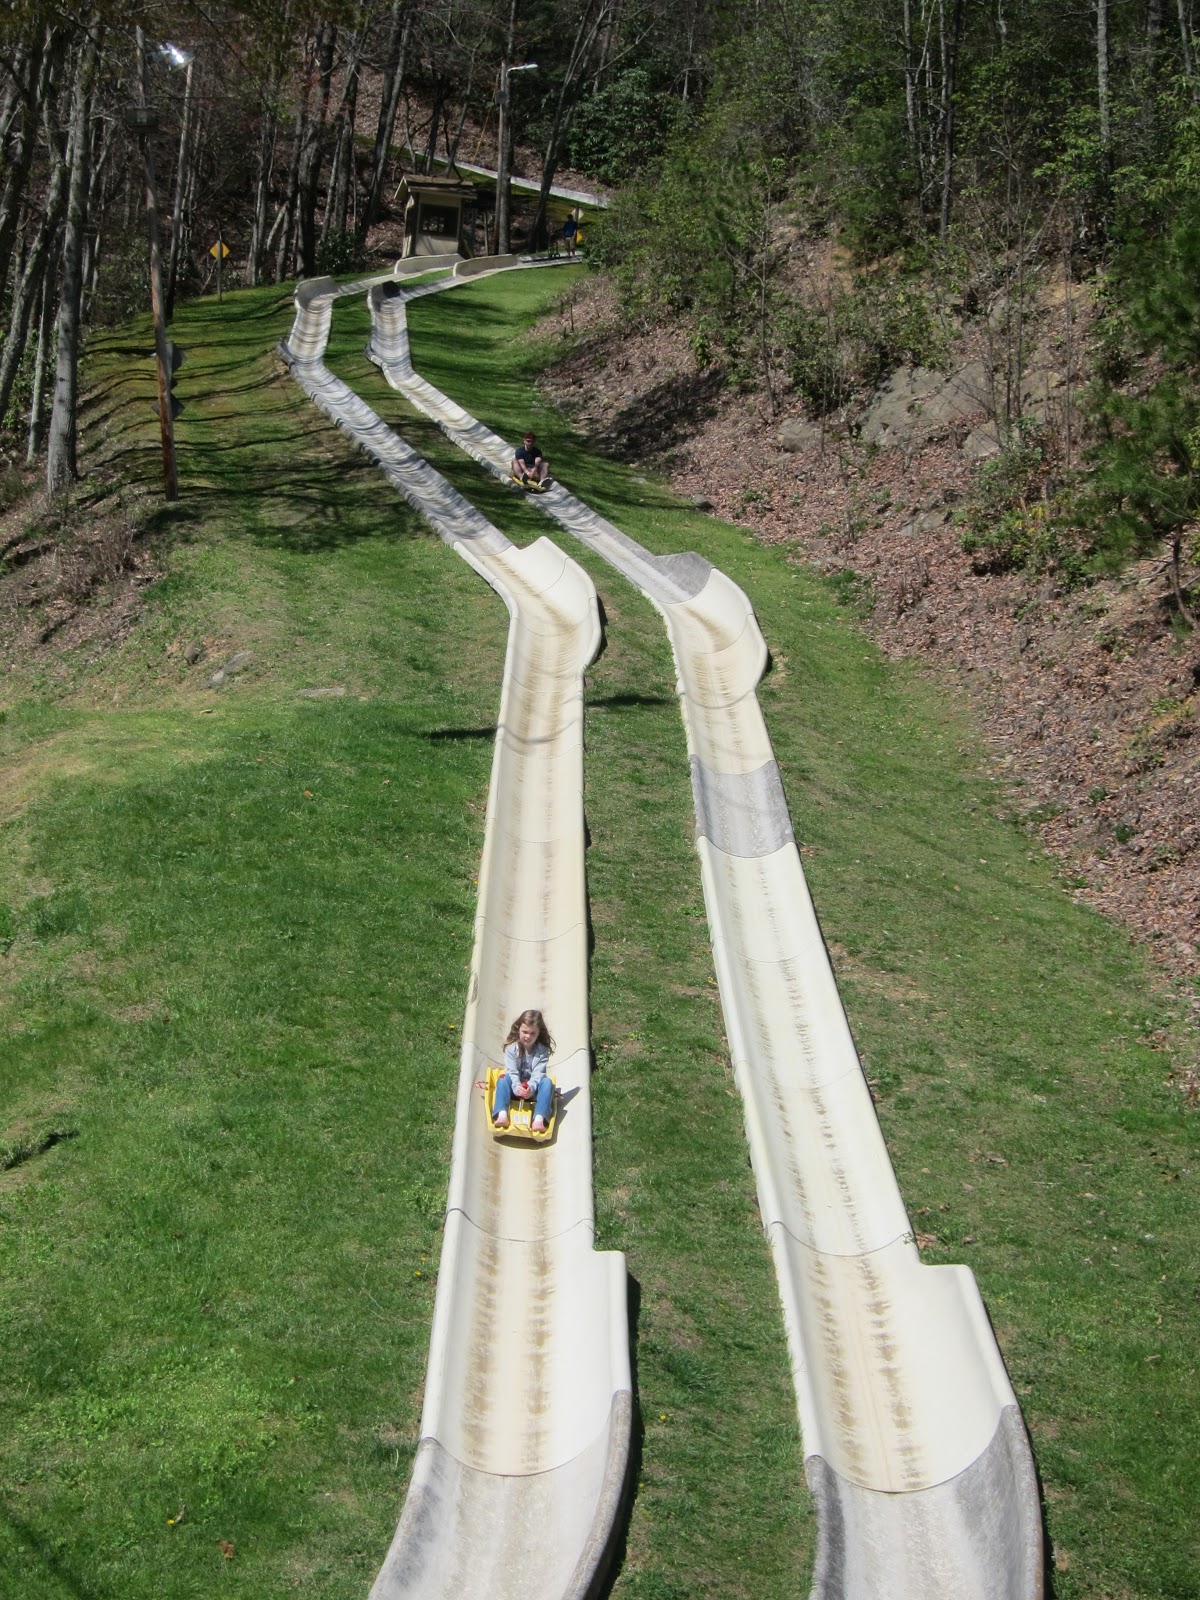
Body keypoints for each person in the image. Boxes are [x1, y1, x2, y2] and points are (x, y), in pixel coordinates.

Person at [493, 1009, 555, 1131]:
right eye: (525, 1032)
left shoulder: (542, 1051)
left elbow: (539, 1073)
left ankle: (539, 1118)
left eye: (532, 1033)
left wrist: (531, 1088)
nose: (528, 1036)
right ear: (519, 1030)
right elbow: (512, 1072)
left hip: (533, 1091)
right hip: (514, 1089)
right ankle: (502, 1115)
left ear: (538, 1034)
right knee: (502, 1079)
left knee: (547, 1083)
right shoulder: (512, 1049)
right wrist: (517, 1087)